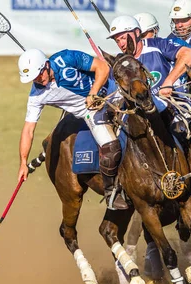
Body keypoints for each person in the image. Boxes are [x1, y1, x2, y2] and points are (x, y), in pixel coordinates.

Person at [16, 48, 127, 210]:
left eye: (39, 75)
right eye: (33, 79)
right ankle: (111, 192)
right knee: (111, 146)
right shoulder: (36, 96)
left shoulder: (66, 58)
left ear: (46, 65)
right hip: (91, 112)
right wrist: (23, 163)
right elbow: (28, 130)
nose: (38, 81)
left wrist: (93, 92)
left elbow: (102, 67)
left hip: (113, 92)